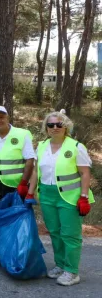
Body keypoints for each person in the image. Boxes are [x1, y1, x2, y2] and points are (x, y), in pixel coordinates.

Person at [27, 111, 94, 286]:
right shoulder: (41, 146)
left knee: (70, 234)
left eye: (59, 124)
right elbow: (35, 171)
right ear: (46, 128)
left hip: (70, 197)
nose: (55, 128)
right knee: (55, 232)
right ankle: (60, 264)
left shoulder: (76, 146)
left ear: (66, 127)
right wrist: (30, 192)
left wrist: (84, 197)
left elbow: (85, 173)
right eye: (51, 125)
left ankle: (72, 271)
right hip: (47, 195)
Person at [0, 105, 36, 208]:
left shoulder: (23, 134)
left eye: (1, 117)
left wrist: (23, 183)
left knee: (15, 218)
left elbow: (30, 160)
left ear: (8, 117)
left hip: (16, 186)